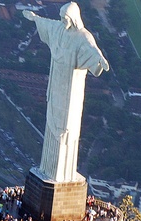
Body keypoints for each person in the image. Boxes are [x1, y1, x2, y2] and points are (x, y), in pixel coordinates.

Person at [23, 3, 109, 182]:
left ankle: (63, 172)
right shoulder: (59, 29)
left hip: (70, 89)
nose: (63, 21)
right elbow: (47, 23)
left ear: (74, 19)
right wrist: (34, 18)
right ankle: (48, 167)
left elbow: (93, 50)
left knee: (66, 127)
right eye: (62, 18)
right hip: (56, 83)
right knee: (52, 123)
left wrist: (100, 59)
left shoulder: (83, 37)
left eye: (66, 19)